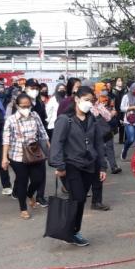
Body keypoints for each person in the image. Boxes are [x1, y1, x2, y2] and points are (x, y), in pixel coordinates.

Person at [49, 86, 108, 246]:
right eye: (86, 100)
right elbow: (57, 144)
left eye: (92, 101)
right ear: (76, 99)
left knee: (79, 200)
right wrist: (59, 166)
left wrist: (102, 167)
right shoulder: (65, 119)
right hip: (71, 165)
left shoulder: (92, 120)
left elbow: (99, 143)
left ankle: (72, 229)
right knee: (78, 197)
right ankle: (72, 231)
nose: (89, 104)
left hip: (90, 164)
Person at [2, 93, 50, 219]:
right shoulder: (11, 120)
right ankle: (23, 208)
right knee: (22, 181)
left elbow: (42, 132)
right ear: (17, 106)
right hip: (17, 155)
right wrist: (4, 158)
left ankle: (30, 194)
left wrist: (49, 146)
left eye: (28, 106)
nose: (26, 108)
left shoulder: (35, 116)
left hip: (35, 152)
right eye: (23, 106)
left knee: (37, 179)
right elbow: (6, 140)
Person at [92, 82, 121, 175]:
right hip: (97, 129)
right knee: (98, 147)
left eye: (105, 89)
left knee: (109, 146)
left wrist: (112, 112)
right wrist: (110, 113)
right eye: (102, 90)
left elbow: (111, 113)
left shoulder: (108, 99)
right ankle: (100, 166)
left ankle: (113, 166)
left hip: (107, 127)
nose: (105, 91)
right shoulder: (93, 103)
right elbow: (107, 115)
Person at [120, 82, 135, 160]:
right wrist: (132, 107)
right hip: (129, 120)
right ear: (132, 89)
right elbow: (122, 108)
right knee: (131, 139)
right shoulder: (126, 96)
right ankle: (125, 150)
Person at [111, 77, 127, 144]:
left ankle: (121, 140)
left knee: (122, 126)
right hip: (115, 109)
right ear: (116, 82)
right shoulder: (113, 90)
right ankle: (108, 140)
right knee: (113, 126)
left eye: (121, 81)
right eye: (119, 81)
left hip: (123, 110)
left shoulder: (125, 90)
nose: (120, 82)